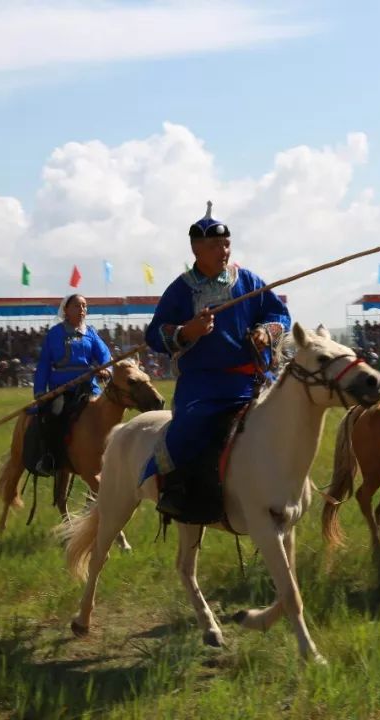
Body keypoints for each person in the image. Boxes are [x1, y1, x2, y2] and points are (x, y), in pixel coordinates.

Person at [144, 202, 290, 520]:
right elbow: (154, 335)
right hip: (203, 386)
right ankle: (178, 492)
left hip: (252, 380)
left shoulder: (248, 281)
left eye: (226, 243)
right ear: (196, 249)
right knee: (189, 428)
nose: (222, 250)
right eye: (213, 245)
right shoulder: (181, 290)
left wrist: (266, 332)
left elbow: (279, 313)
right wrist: (187, 331)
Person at [28, 294, 112, 473]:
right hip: (62, 390)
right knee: (52, 415)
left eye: (84, 306)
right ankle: (48, 457)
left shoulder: (91, 333)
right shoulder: (55, 334)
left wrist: (106, 370)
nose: (82, 310)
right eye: (77, 306)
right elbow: (44, 364)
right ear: (66, 310)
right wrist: (40, 391)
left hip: (89, 388)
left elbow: (104, 355)